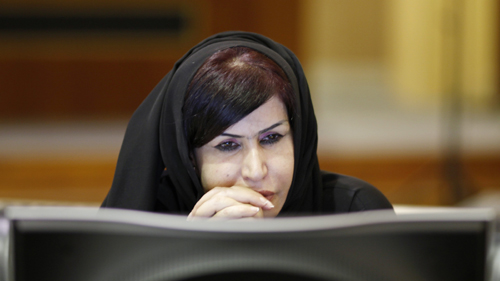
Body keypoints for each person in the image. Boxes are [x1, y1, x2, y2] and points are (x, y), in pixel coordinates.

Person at [102, 31, 393, 218]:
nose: (256, 171)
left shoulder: (356, 215)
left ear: (299, 138)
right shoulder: (147, 221)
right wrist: (192, 250)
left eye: (272, 138)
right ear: (189, 157)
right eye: (227, 145)